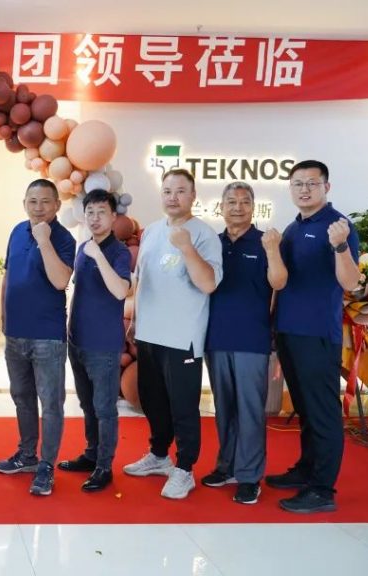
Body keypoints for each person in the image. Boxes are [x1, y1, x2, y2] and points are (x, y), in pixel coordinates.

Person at [124, 168, 223, 500]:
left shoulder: (204, 235)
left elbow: (208, 284)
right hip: (150, 334)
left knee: (183, 406)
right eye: (167, 191)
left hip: (183, 337)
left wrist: (186, 248)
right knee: (152, 401)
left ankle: (185, 469)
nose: (173, 197)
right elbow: (142, 280)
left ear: (193, 196)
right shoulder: (152, 231)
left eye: (181, 191)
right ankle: (159, 455)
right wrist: (135, 321)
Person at [268, 160, 360, 514]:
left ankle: (322, 489)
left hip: (317, 333)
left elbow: (350, 282)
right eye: (297, 183)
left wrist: (340, 246)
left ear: (326, 187)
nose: (304, 189)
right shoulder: (295, 227)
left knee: (322, 412)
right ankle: (307, 470)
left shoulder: (338, 226)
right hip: (289, 332)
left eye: (311, 183)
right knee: (305, 408)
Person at [202, 181, 288, 505]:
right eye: (231, 201)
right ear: (221, 207)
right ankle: (226, 466)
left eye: (244, 202)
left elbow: (279, 282)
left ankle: (250, 477)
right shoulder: (212, 243)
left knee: (250, 410)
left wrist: (272, 250)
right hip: (216, 338)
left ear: (254, 207)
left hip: (252, 339)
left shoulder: (265, 242)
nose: (237, 207)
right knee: (224, 408)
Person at [0, 179, 75, 497]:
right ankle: (27, 455)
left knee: (51, 403)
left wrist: (44, 241)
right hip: (16, 333)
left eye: (45, 201)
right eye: (32, 201)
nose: (38, 207)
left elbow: (60, 281)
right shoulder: (17, 231)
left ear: (57, 205)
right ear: (24, 203)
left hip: (47, 337)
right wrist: (4, 316)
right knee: (22, 397)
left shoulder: (64, 238)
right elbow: (8, 276)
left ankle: (46, 466)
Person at [60, 189, 132, 493]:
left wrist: (98, 255)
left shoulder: (118, 252)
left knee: (104, 408)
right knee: (87, 404)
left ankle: (104, 466)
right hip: (77, 341)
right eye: (90, 212)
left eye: (101, 212)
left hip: (103, 346)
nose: (94, 218)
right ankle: (91, 454)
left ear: (113, 216)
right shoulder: (83, 248)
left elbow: (120, 291)